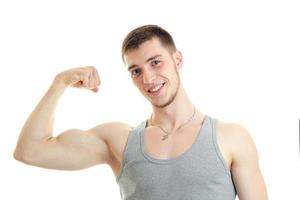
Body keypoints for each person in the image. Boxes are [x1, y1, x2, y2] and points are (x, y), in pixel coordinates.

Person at [14, 25, 268, 200]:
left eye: (155, 62)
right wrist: (60, 83)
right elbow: (29, 151)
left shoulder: (231, 137)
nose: (148, 78)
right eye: (135, 71)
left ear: (177, 60)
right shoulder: (119, 141)